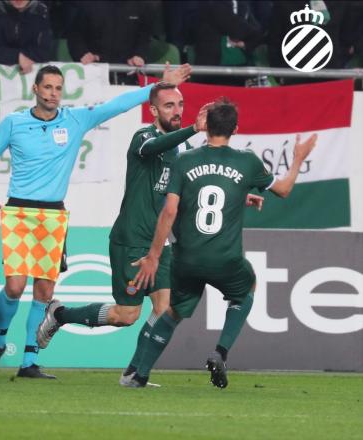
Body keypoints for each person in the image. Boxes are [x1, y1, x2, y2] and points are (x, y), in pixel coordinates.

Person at [36, 83, 263, 387]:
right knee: (126, 315)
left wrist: (238, 195)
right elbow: (151, 149)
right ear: (154, 110)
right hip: (131, 240)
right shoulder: (144, 137)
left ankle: (135, 374)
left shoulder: (182, 152)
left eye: (180, 104)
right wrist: (193, 130)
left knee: (166, 308)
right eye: (169, 105)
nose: (177, 111)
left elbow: (186, 195)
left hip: (160, 245)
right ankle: (60, 314)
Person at [0, 63, 192, 379]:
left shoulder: (74, 120)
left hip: (53, 215)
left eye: (58, 88)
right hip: (20, 212)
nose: (53, 93)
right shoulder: (14, 122)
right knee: (14, 286)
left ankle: (28, 362)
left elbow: (115, 106)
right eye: (47, 87)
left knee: (44, 292)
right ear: (35, 89)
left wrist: (157, 86)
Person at [127, 99, 317, 388]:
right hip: (225, 259)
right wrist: (298, 158)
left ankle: (139, 376)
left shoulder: (184, 160)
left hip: (186, 258)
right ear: (235, 130)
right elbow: (284, 190)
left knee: (173, 313)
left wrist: (154, 255)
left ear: (207, 128)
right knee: (246, 290)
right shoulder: (247, 161)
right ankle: (220, 352)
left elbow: (170, 211)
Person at [0, 0, 52, 74]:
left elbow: (44, 52)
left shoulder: (41, 11)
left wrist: (20, 56)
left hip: (28, 77)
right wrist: (17, 56)